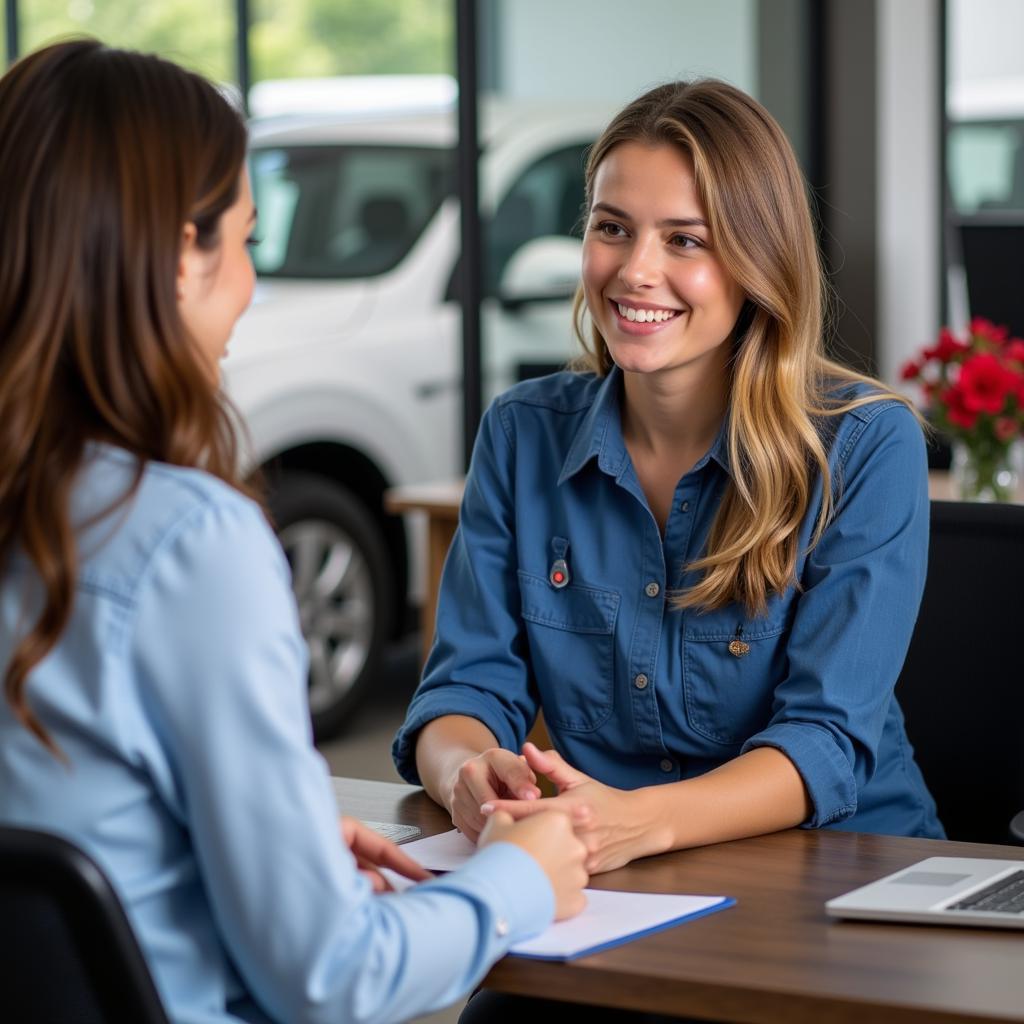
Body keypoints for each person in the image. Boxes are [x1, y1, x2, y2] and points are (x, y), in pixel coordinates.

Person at [0, 40, 589, 1024]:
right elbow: (327, 978)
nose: (248, 288)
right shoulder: (189, 543)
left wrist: (277, 842)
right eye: (243, 241)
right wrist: (521, 880)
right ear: (174, 259)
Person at [394, 79, 945, 881]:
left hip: (845, 874)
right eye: (612, 228)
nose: (635, 271)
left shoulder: (863, 444)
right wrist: (468, 774)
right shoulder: (520, 433)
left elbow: (825, 742)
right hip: (618, 870)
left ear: (758, 259)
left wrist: (629, 822)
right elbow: (463, 689)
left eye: (685, 240)